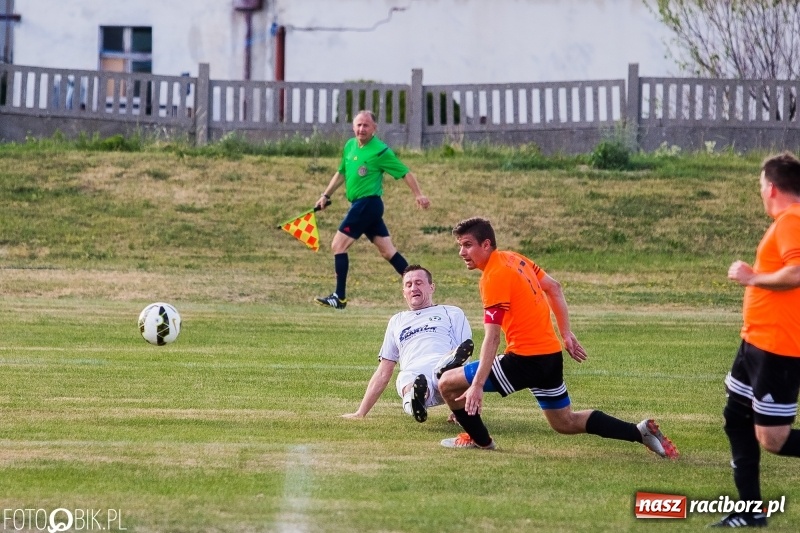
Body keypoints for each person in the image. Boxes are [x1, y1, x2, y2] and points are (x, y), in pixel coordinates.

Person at [437, 216, 679, 458]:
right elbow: (554, 287)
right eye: (460, 245)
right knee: (565, 422)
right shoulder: (514, 258)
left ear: (486, 244)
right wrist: (565, 333)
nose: (461, 252)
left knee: (447, 383)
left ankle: (480, 440)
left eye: (467, 244)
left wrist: (477, 385)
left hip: (524, 360)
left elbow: (492, 338)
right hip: (549, 356)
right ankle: (639, 432)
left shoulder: (493, 276)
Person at [710, 152, 800, 528]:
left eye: (761, 185)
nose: (760, 192)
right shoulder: (785, 221)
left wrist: (751, 278)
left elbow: (796, 272)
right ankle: (750, 512)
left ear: (773, 187)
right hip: (755, 343)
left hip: (778, 348)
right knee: (736, 417)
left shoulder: (792, 220)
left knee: (773, 439)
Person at [314, 110, 431, 310]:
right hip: (361, 206)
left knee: (337, 245)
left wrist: (418, 194)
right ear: (353, 127)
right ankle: (423, 290)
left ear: (374, 128)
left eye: (366, 125)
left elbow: (404, 172)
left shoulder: (380, 151)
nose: (361, 129)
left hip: (368, 204)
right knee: (387, 251)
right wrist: (326, 195)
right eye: (358, 125)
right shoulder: (350, 146)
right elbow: (341, 172)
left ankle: (339, 297)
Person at [342, 265, 474, 422]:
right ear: (404, 293)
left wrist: (461, 407)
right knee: (407, 380)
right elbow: (384, 371)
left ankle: (444, 373)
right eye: (408, 285)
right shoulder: (397, 321)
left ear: (432, 287)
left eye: (419, 282)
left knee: (453, 365)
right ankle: (416, 400)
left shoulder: (452, 312)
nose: (413, 288)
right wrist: (360, 412)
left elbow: (465, 356)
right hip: (415, 372)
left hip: (444, 368)